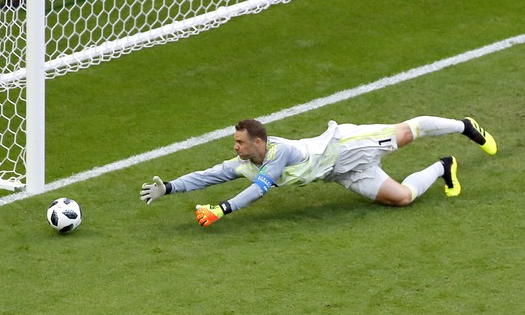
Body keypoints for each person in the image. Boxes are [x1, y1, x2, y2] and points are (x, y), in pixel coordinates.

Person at [140, 116, 497, 227]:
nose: (236, 148)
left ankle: (463, 125)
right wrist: (169, 187)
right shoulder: (244, 165)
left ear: (259, 142)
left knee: (407, 132)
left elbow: (260, 190)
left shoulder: (278, 153)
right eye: (235, 142)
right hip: (341, 174)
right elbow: (207, 175)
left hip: (347, 146)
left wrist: (223, 209)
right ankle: (444, 166)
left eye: (240, 143)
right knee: (402, 198)